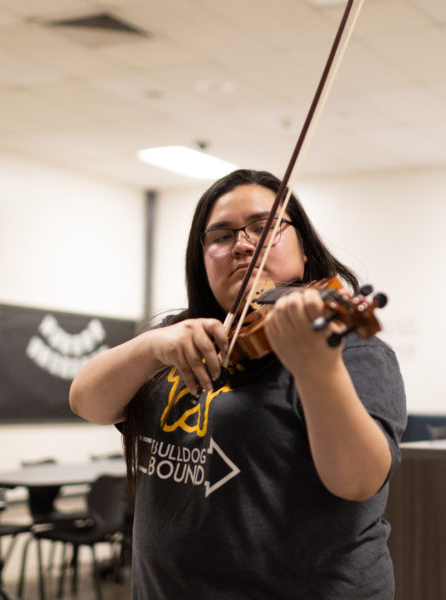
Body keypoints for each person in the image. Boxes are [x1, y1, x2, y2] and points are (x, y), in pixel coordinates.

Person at [70, 169, 407, 599]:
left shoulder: (353, 351)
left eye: (264, 227)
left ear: (303, 246)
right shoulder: (178, 341)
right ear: (202, 257)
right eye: (222, 235)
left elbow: (359, 481)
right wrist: (151, 345)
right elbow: (87, 402)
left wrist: (317, 371)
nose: (243, 244)